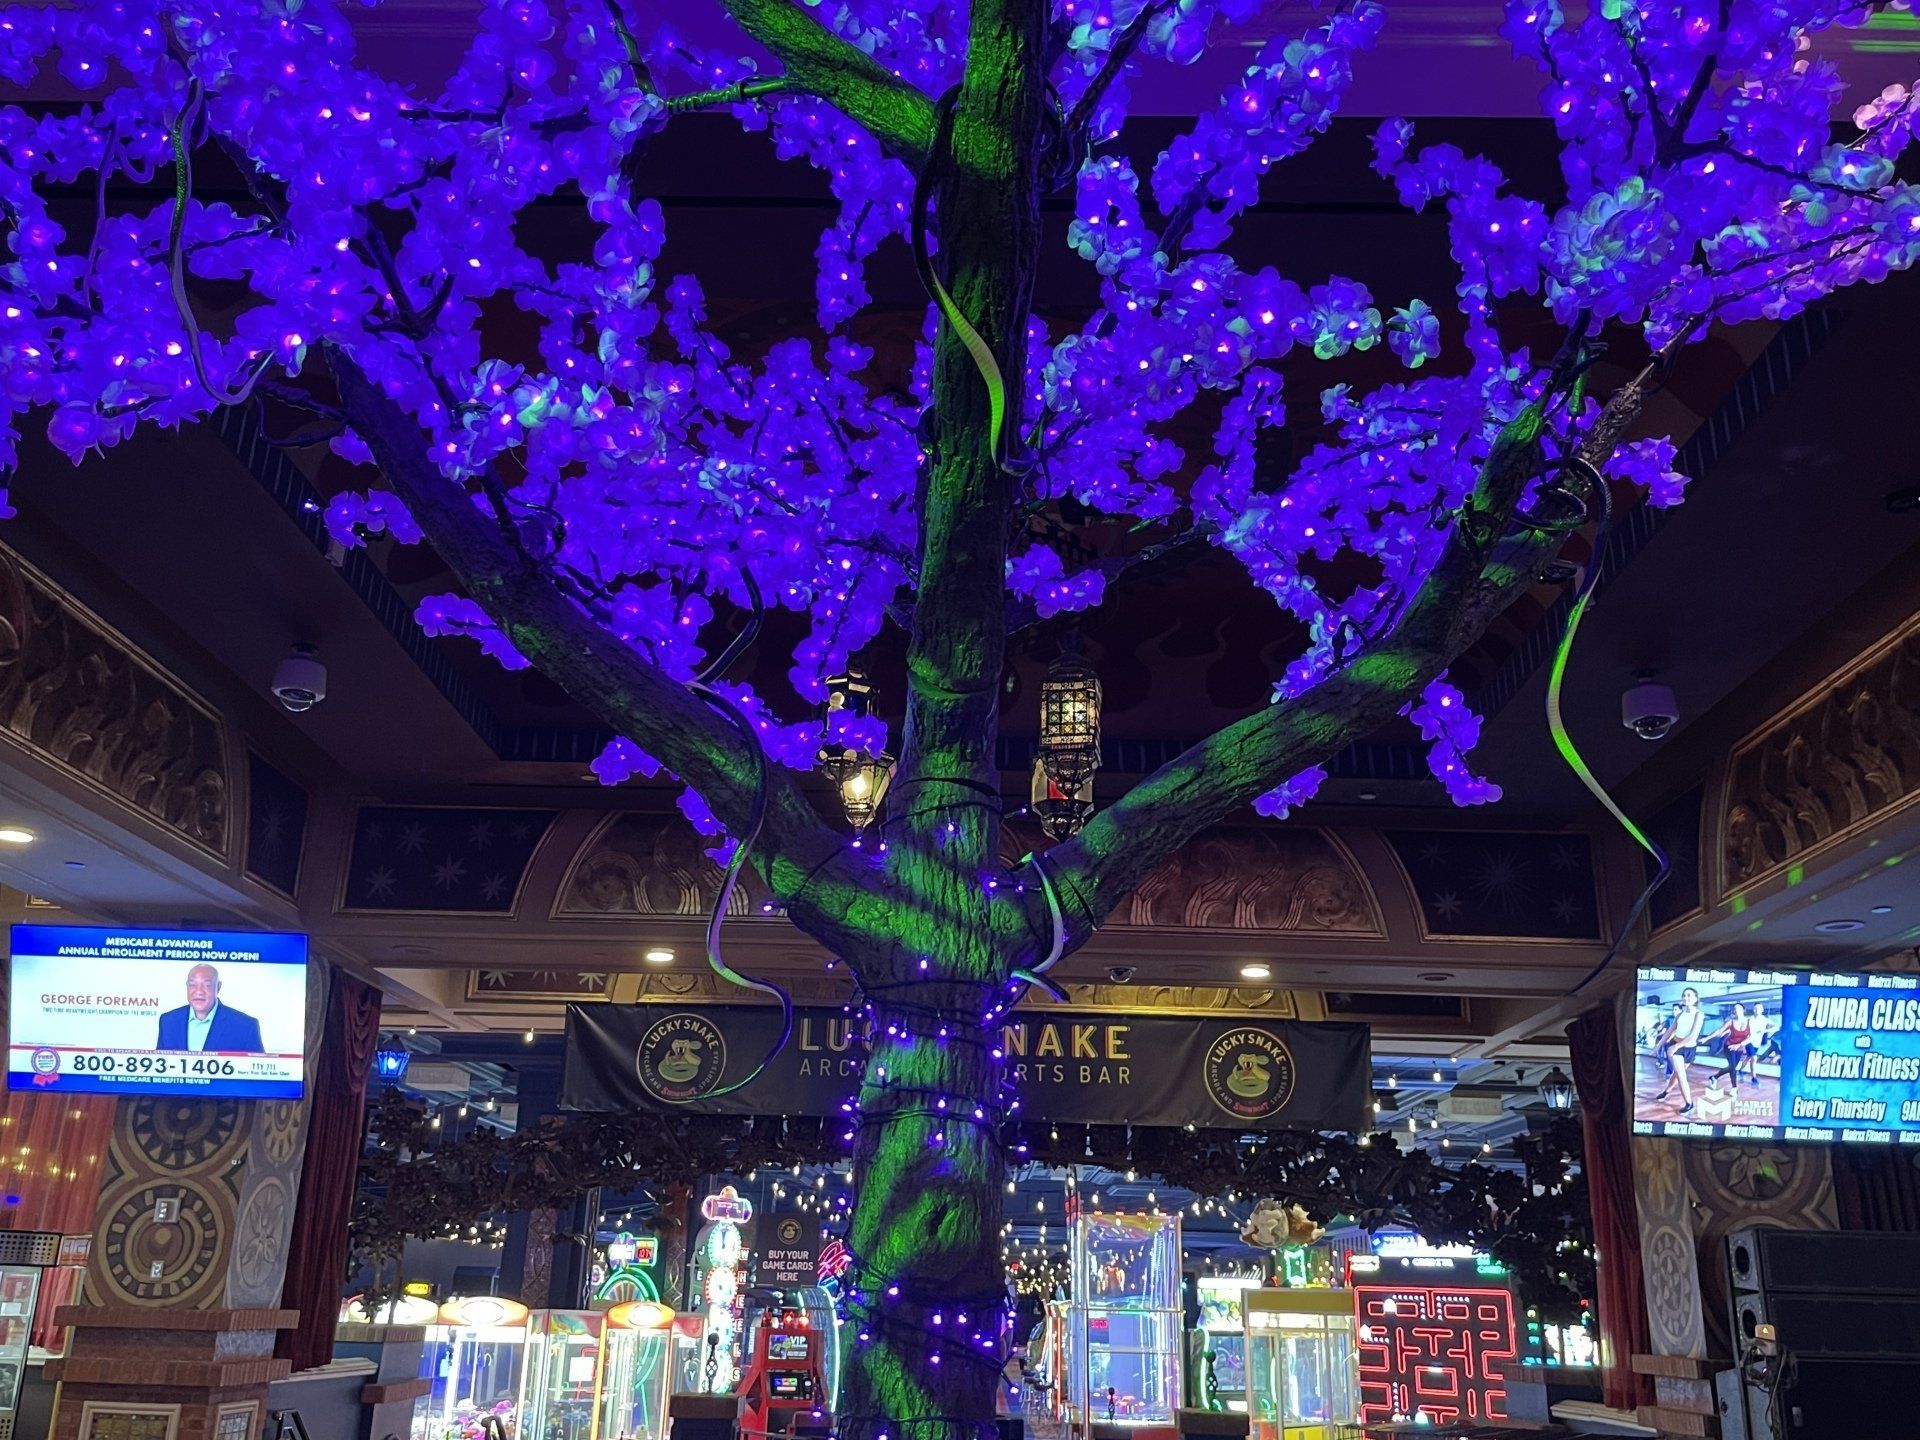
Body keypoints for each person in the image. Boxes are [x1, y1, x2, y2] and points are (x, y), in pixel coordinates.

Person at [155, 963, 264, 1053]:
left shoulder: (245, 1026)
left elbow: (258, 1073)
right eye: (193, 985)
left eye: (207, 985)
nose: (199, 991)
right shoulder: (168, 1021)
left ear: (218, 987)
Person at [1654, 987, 1708, 1114]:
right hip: (1676, 1046)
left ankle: (1666, 1091)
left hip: (1689, 1048)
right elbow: (1669, 1031)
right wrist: (1659, 1045)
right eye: (1684, 995)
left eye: (1689, 995)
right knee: (1682, 1076)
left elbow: (1693, 1035)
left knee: (1676, 1074)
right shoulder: (1679, 1015)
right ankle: (1689, 1103)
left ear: (1695, 999)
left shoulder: (1698, 1014)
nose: (1686, 998)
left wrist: (1676, 1047)